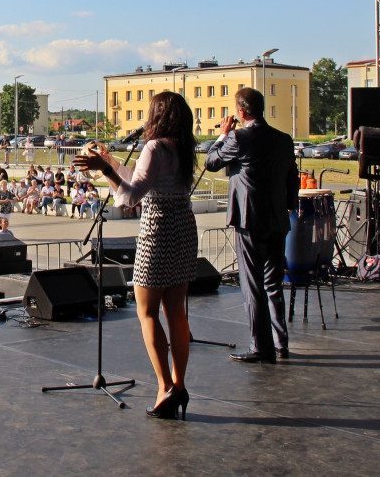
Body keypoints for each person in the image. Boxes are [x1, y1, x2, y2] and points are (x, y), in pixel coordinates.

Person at [73, 91, 197, 421]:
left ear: (157, 115)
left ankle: (164, 387)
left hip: (158, 229)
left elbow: (129, 197)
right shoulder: (183, 148)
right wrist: (112, 163)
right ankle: (180, 386)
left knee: (147, 312)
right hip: (184, 228)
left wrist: (106, 172)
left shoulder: (155, 147)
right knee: (177, 312)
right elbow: (144, 181)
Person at [205, 87, 297, 364]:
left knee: (252, 285)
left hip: (250, 220)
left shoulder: (238, 137)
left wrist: (222, 133)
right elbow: (292, 175)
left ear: (241, 112)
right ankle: (281, 343)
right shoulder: (283, 139)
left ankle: (261, 347)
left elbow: (211, 161)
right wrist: (289, 205)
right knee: (273, 283)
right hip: (278, 219)